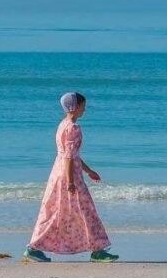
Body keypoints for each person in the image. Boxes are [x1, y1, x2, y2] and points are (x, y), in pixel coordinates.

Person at [24, 92, 117, 262]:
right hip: (68, 174)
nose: (85, 110)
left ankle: (35, 247)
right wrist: (71, 181)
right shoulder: (73, 128)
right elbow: (68, 156)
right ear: (75, 107)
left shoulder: (63, 125)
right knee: (85, 211)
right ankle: (97, 250)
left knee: (55, 211)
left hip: (59, 172)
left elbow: (71, 155)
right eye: (83, 106)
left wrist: (88, 171)